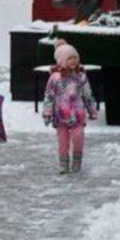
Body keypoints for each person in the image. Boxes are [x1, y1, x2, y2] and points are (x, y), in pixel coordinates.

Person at [41, 40, 98, 174]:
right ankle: (64, 163)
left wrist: (92, 110)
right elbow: (49, 96)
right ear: (61, 61)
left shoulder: (81, 77)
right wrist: (47, 113)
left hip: (78, 115)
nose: (73, 60)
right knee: (63, 141)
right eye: (69, 58)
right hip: (60, 115)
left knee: (78, 137)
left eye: (75, 57)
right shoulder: (55, 78)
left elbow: (87, 95)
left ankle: (77, 160)